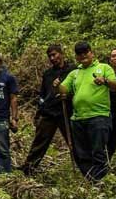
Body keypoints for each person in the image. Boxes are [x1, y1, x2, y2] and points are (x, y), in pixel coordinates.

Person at [58, 42, 116, 181]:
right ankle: (90, 180)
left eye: (85, 53)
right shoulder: (75, 73)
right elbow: (64, 90)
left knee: (98, 151)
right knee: (82, 153)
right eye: (79, 54)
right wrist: (57, 86)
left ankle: (100, 181)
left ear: (91, 53)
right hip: (78, 118)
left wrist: (105, 81)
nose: (83, 56)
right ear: (76, 57)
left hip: (99, 116)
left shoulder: (104, 67)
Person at [21, 44, 76, 175]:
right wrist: (39, 112)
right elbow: (43, 94)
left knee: (74, 141)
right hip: (49, 111)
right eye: (50, 56)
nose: (52, 58)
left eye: (54, 55)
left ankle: (85, 168)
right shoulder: (48, 74)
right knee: (40, 141)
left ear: (61, 54)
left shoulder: (72, 70)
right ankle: (28, 168)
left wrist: (68, 96)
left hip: (66, 110)